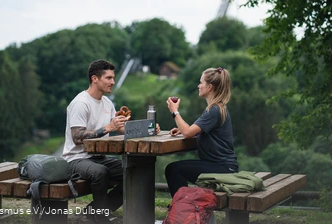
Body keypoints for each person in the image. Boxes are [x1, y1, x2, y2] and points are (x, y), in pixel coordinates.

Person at [62, 59, 160, 223]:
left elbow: (121, 128)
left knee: (132, 173)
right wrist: (107, 128)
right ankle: (101, 218)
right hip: (76, 158)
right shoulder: (81, 103)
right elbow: (77, 137)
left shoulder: (107, 102)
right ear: (95, 79)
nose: (113, 82)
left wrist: (149, 129)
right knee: (100, 172)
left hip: (98, 157)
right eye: (108, 78)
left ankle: (95, 211)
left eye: (113, 78)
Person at [165, 67, 238, 197]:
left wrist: (174, 111)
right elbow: (192, 130)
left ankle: (183, 211)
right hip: (221, 166)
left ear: (209, 87)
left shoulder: (214, 110)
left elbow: (188, 133)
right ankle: (184, 209)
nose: (199, 86)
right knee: (174, 169)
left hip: (223, 168)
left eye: (201, 82)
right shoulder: (217, 107)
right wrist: (181, 130)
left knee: (174, 170)